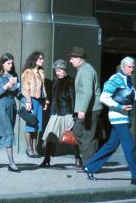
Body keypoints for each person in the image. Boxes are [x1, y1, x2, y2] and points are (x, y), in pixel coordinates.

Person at [84, 56, 136, 185]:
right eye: (130, 67)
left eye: (133, 67)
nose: (132, 69)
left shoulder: (128, 80)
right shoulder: (115, 79)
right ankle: (135, 175)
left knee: (111, 145)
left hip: (124, 117)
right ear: (123, 67)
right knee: (130, 146)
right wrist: (120, 106)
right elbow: (104, 97)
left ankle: (90, 167)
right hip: (118, 117)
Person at [0, 53, 28, 172]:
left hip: (12, 106)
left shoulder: (14, 75)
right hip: (2, 107)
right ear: (2, 64)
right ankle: (11, 163)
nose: (10, 65)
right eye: (8, 63)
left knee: (2, 137)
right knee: (9, 134)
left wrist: (26, 102)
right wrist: (6, 86)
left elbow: (18, 93)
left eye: (12, 63)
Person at [40, 59, 81, 168]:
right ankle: (47, 159)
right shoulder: (55, 81)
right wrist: (51, 113)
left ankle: (78, 159)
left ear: (64, 70)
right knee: (50, 136)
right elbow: (53, 100)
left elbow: (73, 98)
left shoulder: (70, 81)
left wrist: (74, 114)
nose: (57, 73)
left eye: (59, 70)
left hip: (67, 112)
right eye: (56, 71)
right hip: (55, 113)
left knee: (72, 138)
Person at [69, 46, 103, 168]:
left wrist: (82, 110)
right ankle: (92, 159)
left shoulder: (86, 70)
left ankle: (89, 165)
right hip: (87, 109)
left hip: (90, 110)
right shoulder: (82, 69)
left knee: (88, 138)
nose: (70, 61)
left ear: (79, 59)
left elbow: (88, 92)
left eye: (72, 58)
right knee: (78, 132)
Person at [21, 51, 49, 158]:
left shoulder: (41, 72)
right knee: (30, 125)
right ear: (35, 60)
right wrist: (28, 101)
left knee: (37, 125)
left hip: (39, 101)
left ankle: (34, 148)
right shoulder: (28, 72)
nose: (42, 60)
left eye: (42, 58)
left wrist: (45, 100)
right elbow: (24, 88)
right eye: (40, 59)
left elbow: (43, 88)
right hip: (31, 100)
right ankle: (29, 149)